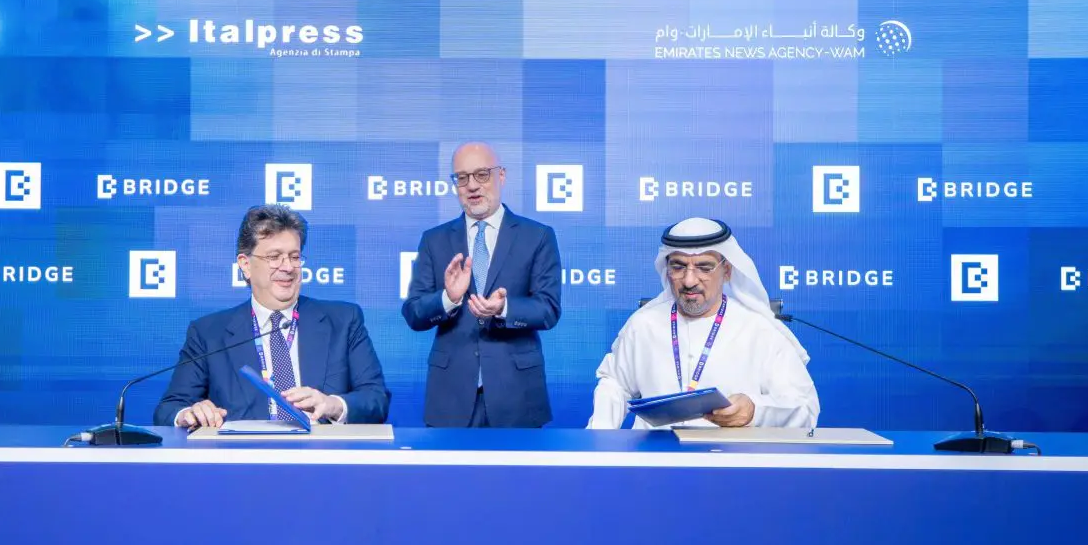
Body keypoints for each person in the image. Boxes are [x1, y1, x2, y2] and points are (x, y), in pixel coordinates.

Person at [154, 204, 390, 429]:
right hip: (242, 454)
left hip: (321, 452)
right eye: (274, 257)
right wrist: (188, 414)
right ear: (245, 265)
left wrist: (333, 405)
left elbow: (376, 399)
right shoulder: (208, 333)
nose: (287, 267)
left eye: (294, 257)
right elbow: (169, 409)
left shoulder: (344, 321)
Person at [588, 217, 819, 430]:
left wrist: (754, 411)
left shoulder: (759, 330)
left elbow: (804, 407)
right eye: (678, 267)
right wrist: (599, 437)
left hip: (731, 457)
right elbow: (614, 384)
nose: (689, 280)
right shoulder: (643, 325)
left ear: (726, 271)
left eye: (704, 268)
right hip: (653, 456)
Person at [402, 142, 562, 427]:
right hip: (450, 397)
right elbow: (414, 313)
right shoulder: (434, 240)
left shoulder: (537, 236)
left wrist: (504, 309)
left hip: (517, 395)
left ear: (501, 175)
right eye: (462, 177)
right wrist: (449, 299)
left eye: (482, 174)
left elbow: (548, 309)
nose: (472, 185)